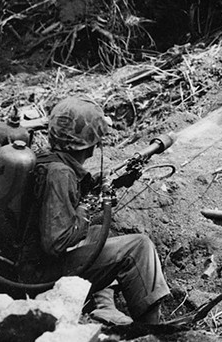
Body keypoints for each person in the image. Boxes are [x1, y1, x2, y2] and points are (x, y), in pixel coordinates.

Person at [21, 96, 171, 327]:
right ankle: (152, 329)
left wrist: (101, 185)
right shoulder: (61, 174)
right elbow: (56, 243)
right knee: (137, 247)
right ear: (92, 142)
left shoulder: (46, 160)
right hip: (37, 277)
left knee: (99, 226)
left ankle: (104, 306)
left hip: (23, 264)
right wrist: (85, 211)